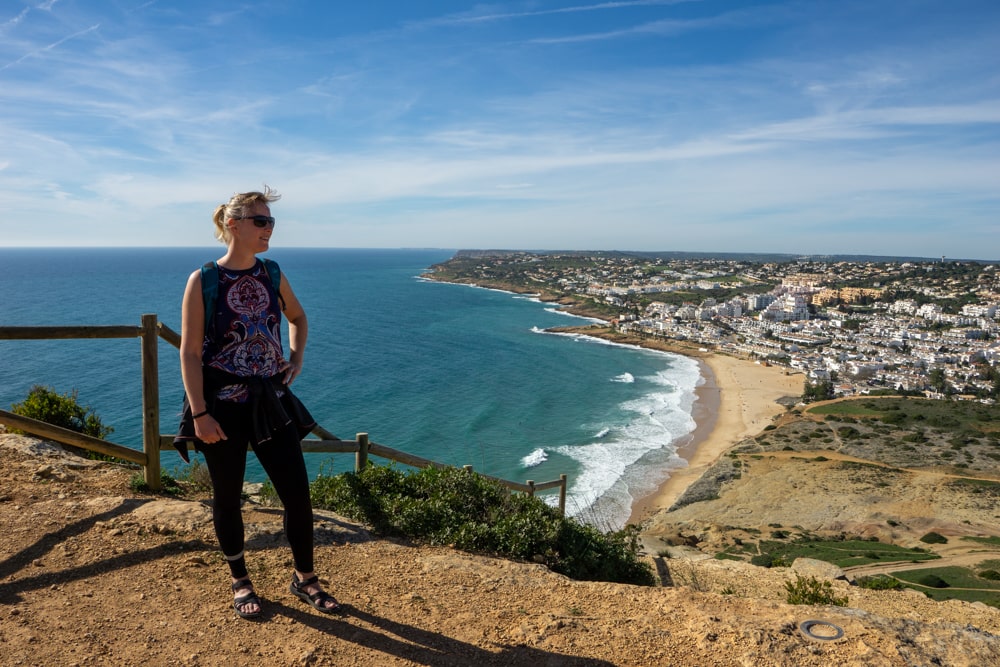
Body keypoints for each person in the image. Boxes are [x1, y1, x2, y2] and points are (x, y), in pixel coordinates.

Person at [176, 186, 340, 619]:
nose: (269, 229)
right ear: (233, 225)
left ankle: (305, 579)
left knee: (298, 497)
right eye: (261, 221)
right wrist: (199, 414)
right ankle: (240, 581)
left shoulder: (272, 273)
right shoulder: (205, 279)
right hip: (222, 404)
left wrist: (296, 357)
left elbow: (298, 317)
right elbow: (190, 353)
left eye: (271, 222)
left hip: (271, 400)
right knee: (227, 499)